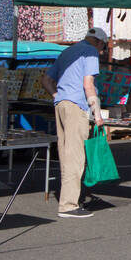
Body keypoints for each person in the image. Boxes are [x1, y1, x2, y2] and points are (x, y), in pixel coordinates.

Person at [41, 27, 107, 219]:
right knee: (75, 156)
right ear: (99, 42)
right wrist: (97, 113)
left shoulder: (67, 51)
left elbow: (46, 80)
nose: (102, 52)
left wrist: (57, 96)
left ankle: (68, 199)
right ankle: (68, 205)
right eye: (103, 47)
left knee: (65, 153)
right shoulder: (91, 52)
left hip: (61, 104)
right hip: (76, 106)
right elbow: (88, 85)